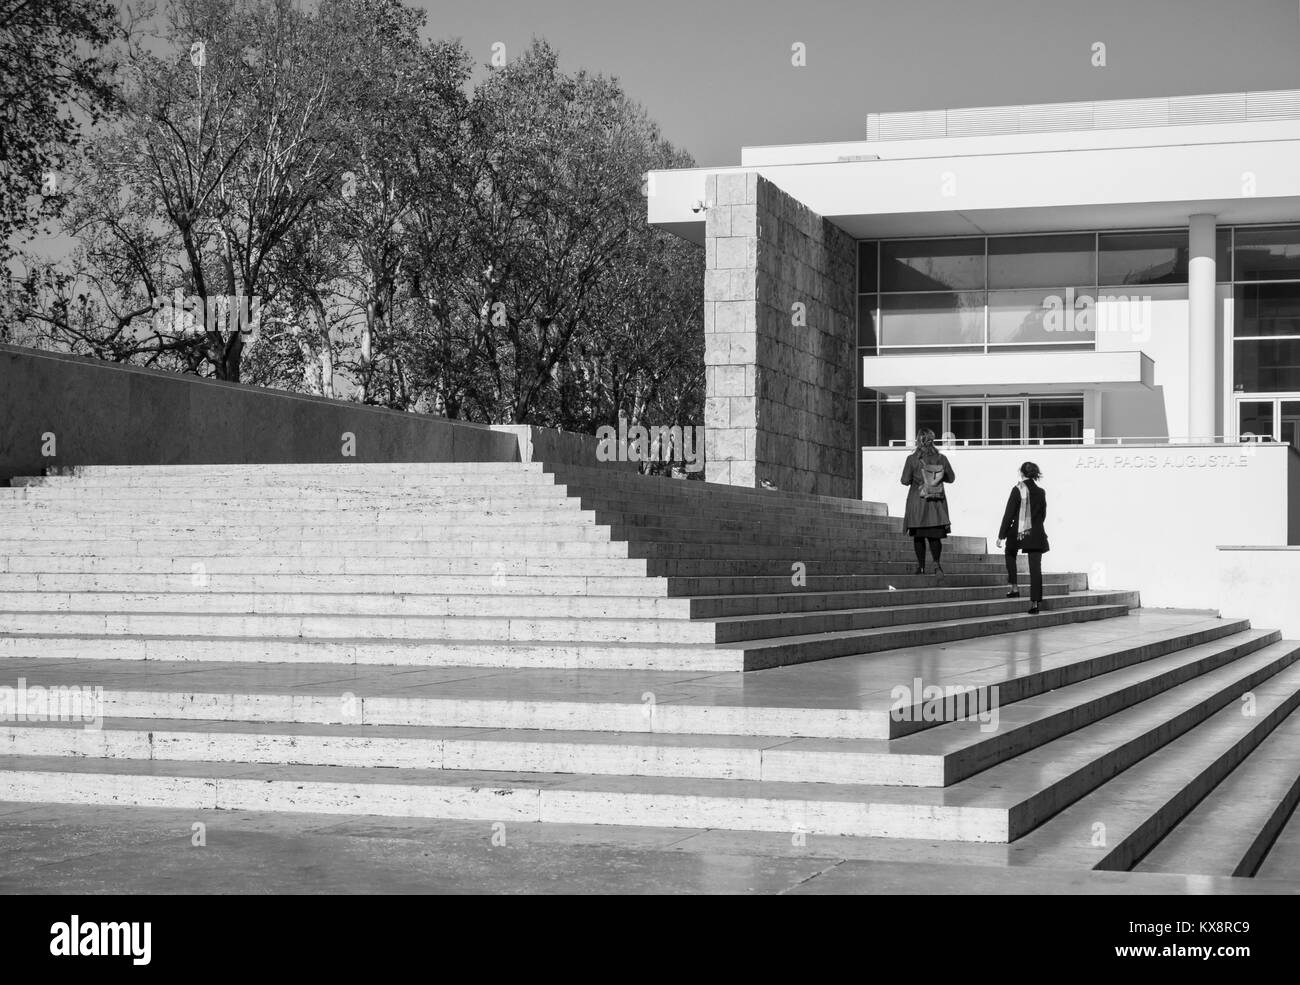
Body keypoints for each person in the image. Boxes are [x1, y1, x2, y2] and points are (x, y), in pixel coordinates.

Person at [899, 428, 955, 578]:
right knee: (934, 537)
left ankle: (921, 566)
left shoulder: (912, 459)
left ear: (918, 440)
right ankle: (936, 564)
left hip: (917, 502)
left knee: (919, 536)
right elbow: (951, 478)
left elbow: (904, 481)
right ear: (932, 440)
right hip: (936, 504)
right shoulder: (941, 458)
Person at [997, 462, 1050, 614]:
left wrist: (1001, 535)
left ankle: (1014, 587)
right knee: (1035, 568)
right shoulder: (1041, 492)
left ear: (1021, 473)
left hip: (1018, 532)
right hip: (1036, 533)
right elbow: (1043, 515)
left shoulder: (1017, 489)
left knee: (1010, 552)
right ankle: (1035, 604)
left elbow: (1009, 514)